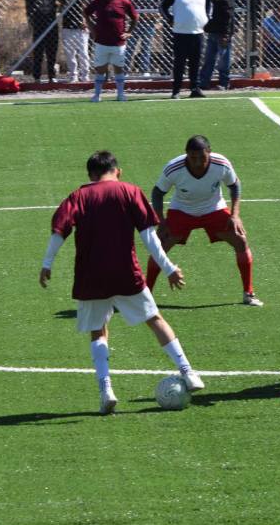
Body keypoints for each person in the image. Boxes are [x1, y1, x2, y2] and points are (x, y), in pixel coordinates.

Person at [40, 150, 206, 415]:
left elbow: (59, 230)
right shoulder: (130, 191)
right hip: (126, 273)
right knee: (154, 319)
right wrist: (169, 268)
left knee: (98, 331)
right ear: (118, 171)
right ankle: (188, 372)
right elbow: (150, 238)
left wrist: (47, 263)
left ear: (90, 175)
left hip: (90, 276)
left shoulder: (78, 196)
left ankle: (106, 390)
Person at [146, 135, 263, 307]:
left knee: (240, 240)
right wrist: (162, 221)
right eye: (193, 157)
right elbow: (157, 192)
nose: (197, 162)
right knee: (160, 246)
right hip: (182, 210)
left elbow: (234, 185)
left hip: (213, 208)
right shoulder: (174, 168)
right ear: (186, 154)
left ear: (209, 152)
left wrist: (235, 215)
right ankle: (145, 296)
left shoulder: (221, 164)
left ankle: (249, 293)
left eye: (202, 157)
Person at [83, 0, 138, 103]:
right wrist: (92, 29)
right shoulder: (98, 2)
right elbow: (86, 13)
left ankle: (120, 94)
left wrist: (129, 32)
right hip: (101, 42)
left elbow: (135, 17)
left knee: (119, 68)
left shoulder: (124, 3)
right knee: (100, 69)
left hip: (118, 43)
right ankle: (97, 95)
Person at [160, 0, 208, 99]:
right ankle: (176, 90)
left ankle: (195, 89)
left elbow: (209, 5)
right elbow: (163, 6)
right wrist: (169, 18)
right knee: (179, 63)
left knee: (195, 63)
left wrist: (207, 18)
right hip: (180, 33)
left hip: (198, 32)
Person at [127, 0, 167, 76]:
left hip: (150, 20)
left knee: (146, 46)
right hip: (137, 20)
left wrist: (155, 14)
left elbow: (161, 1)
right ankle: (125, 70)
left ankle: (144, 70)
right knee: (131, 45)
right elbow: (131, 1)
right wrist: (135, 15)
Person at [199, 0, 235, 91]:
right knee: (209, 58)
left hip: (222, 31)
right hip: (213, 29)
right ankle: (204, 82)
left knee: (223, 59)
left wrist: (226, 33)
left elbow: (228, 12)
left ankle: (224, 83)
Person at [23, 0, 63, 83]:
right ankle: (37, 76)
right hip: (38, 24)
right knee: (38, 51)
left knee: (52, 51)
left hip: (51, 23)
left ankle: (52, 75)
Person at [60, 0, 91, 83]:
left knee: (83, 52)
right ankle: (73, 75)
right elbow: (62, 1)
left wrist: (85, 20)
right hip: (67, 24)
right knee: (70, 53)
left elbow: (86, 5)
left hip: (80, 25)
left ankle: (85, 75)